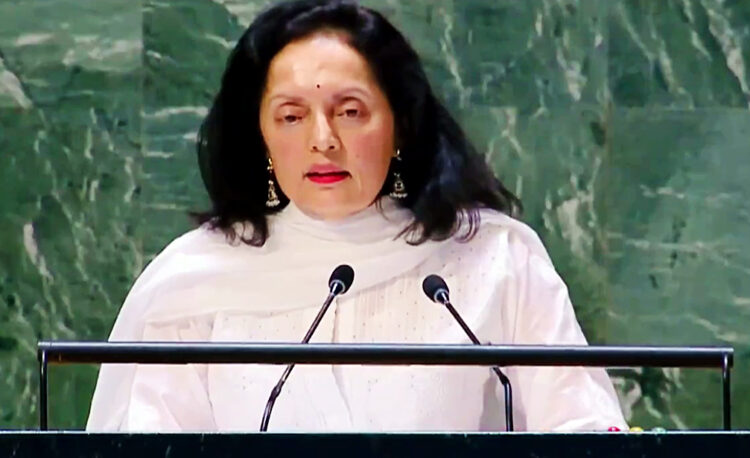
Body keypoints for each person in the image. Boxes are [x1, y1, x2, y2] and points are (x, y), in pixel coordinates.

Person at [86, 0, 627, 432]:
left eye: (350, 112)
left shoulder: (493, 258)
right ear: (262, 138)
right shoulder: (195, 280)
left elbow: (580, 426)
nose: (323, 141)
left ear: (400, 126)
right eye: (292, 116)